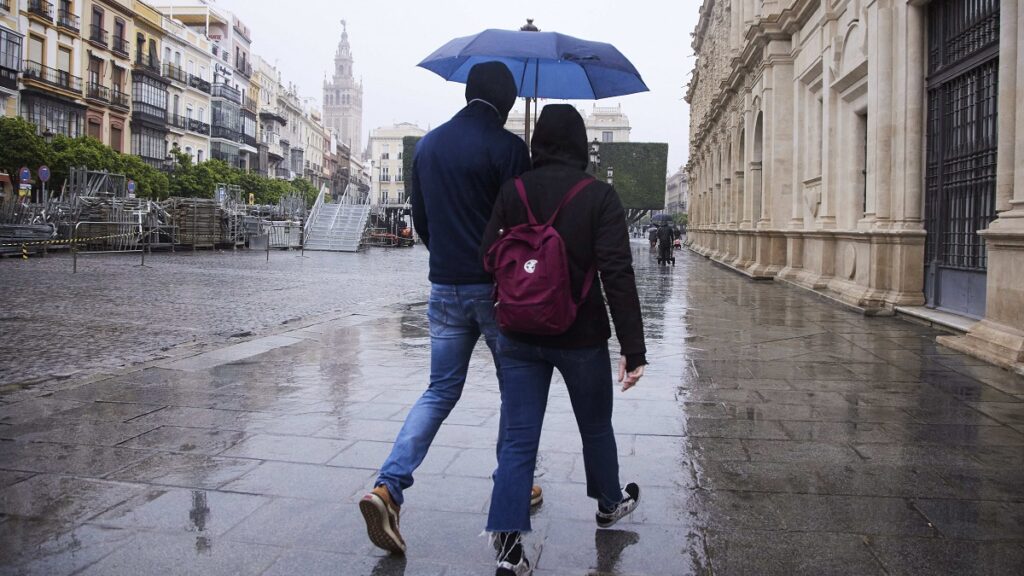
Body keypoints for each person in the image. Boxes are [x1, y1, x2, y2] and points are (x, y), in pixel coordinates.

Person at [358, 62, 534, 555]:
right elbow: (523, 226)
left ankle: (389, 486)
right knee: (514, 392)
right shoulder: (508, 148)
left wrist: (447, 255)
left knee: (438, 392)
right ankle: (513, 485)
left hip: (445, 286)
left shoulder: (429, 145)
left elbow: (422, 221)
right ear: (506, 102)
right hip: (497, 290)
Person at [480, 104, 647, 576]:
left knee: (517, 439)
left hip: (517, 332)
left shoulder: (512, 191)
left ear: (537, 143)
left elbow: (485, 254)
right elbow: (617, 273)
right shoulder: (600, 196)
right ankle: (609, 503)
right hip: (581, 335)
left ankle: (509, 544)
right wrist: (634, 350)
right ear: (580, 145)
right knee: (595, 425)